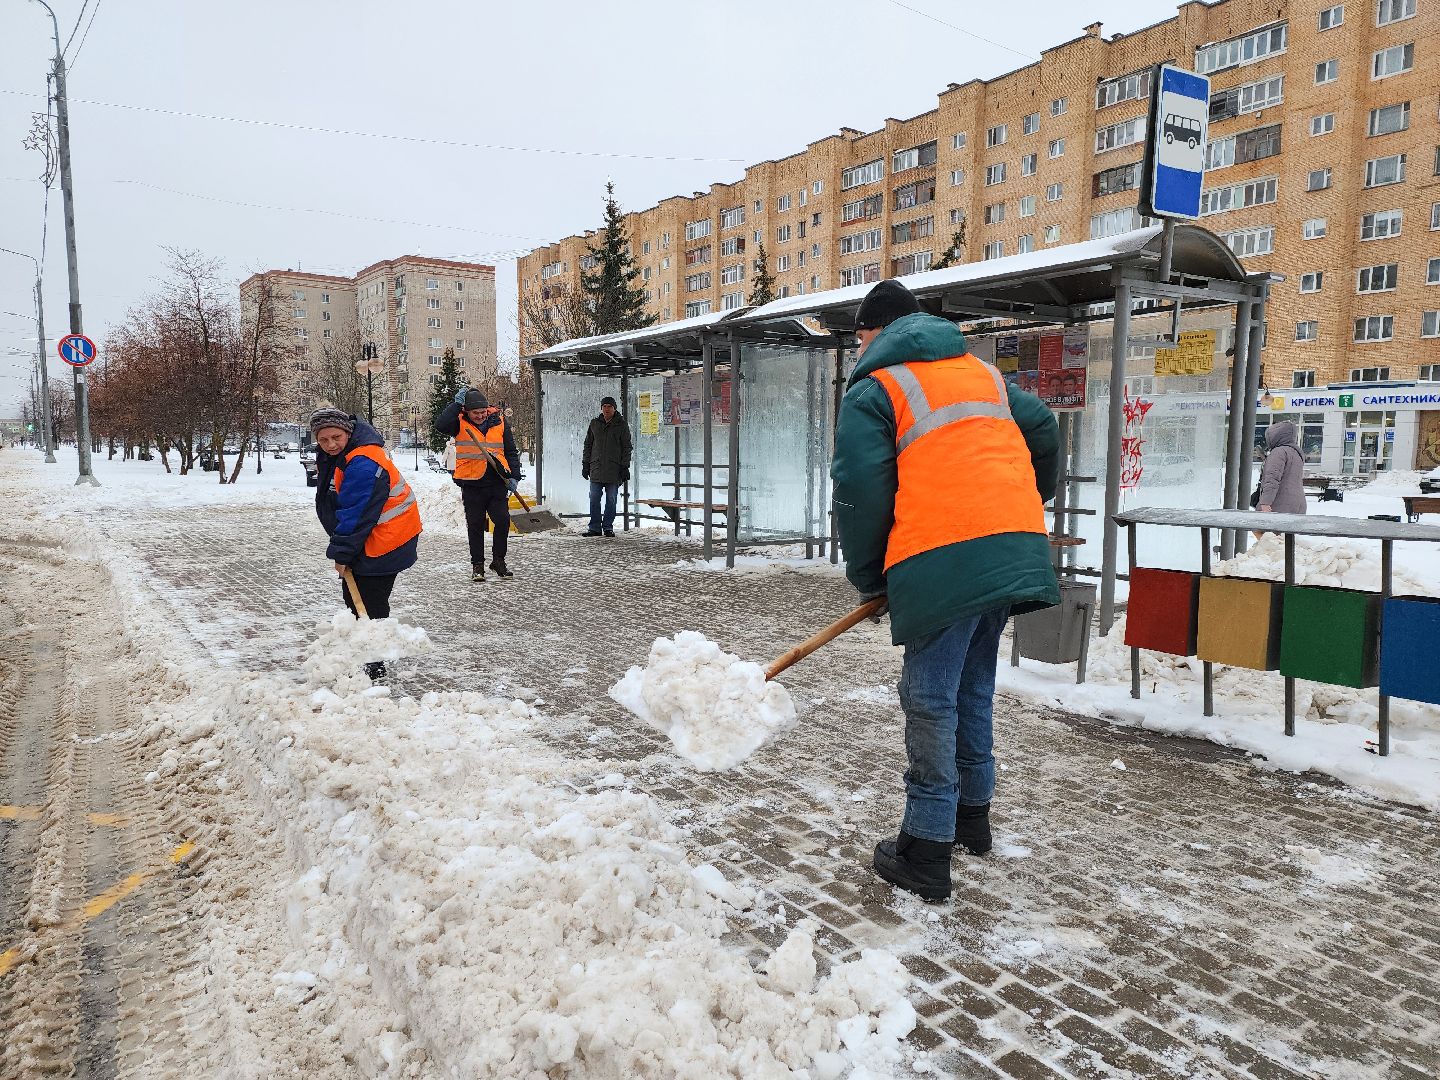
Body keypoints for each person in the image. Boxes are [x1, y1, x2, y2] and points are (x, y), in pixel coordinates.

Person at [831, 279, 1060, 902]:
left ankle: (926, 848)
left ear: (873, 334)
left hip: (941, 555)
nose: (859, 347)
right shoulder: (980, 374)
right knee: (971, 686)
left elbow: (859, 491)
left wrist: (870, 577)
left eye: (860, 337)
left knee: (929, 695)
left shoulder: (876, 389)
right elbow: (1042, 428)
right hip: (1005, 551)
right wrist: (1017, 507)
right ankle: (970, 817)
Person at [311, 409, 422, 680]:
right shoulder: (344, 455)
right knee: (360, 598)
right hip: (376, 536)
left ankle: (374, 666)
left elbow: (356, 514)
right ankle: (371, 658)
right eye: (323, 440)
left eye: (335, 437)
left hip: (386, 540)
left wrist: (343, 553)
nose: (330, 445)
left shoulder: (363, 463)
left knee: (368, 602)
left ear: (348, 432)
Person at [434, 388, 522, 581]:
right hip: (471, 483)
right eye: (476, 413)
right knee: (475, 525)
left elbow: (510, 450)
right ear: (467, 411)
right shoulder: (459, 421)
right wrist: (456, 405)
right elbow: (440, 425)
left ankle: (498, 560)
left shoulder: (499, 421)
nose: (480, 416)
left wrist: (515, 476)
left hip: (498, 481)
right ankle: (478, 565)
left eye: (483, 412)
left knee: (502, 521)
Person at [581, 395, 633, 537]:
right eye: (604, 406)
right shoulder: (594, 424)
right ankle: (595, 528)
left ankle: (608, 527)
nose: (607, 409)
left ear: (614, 408)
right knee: (594, 498)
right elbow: (588, 445)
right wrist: (585, 464)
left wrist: (624, 466)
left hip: (613, 469)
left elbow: (627, 447)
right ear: (601, 408)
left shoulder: (621, 425)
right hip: (596, 468)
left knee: (611, 499)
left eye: (609, 406)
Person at [1253, 420, 1307, 523]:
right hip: (1297, 503)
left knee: (1261, 531)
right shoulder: (1296, 452)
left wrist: (1265, 502)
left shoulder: (1278, 452)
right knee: (1286, 537)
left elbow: (1272, 479)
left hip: (1279, 503)